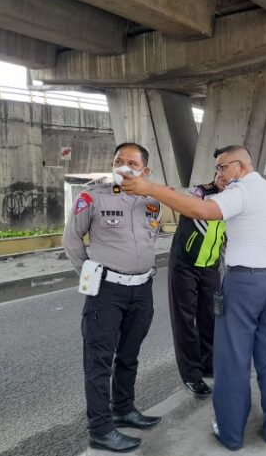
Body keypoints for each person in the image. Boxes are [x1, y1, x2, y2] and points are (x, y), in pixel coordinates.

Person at [120, 145, 266, 450]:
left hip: (245, 285)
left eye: (223, 167)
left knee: (233, 360)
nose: (219, 174)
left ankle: (230, 432)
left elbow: (202, 210)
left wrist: (150, 188)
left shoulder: (242, 191)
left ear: (239, 166)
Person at [63, 142, 162, 453]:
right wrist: (90, 275)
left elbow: (150, 237)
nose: (123, 166)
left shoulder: (152, 202)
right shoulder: (93, 196)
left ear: (145, 170)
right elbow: (71, 239)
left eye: (132, 163)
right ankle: (100, 428)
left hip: (142, 290)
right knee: (99, 361)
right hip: (107, 290)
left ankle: (124, 408)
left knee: (129, 355)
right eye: (119, 160)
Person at [168, 171, 226, 398]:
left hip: (211, 266)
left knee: (211, 316)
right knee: (185, 319)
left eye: (228, 176)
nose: (224, 179)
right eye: (220, 174)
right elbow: (190, 205)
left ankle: (208, 363)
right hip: (185, 262)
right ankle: (192, 375)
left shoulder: (234, 197)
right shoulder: (202, 192)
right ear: (215, 176)